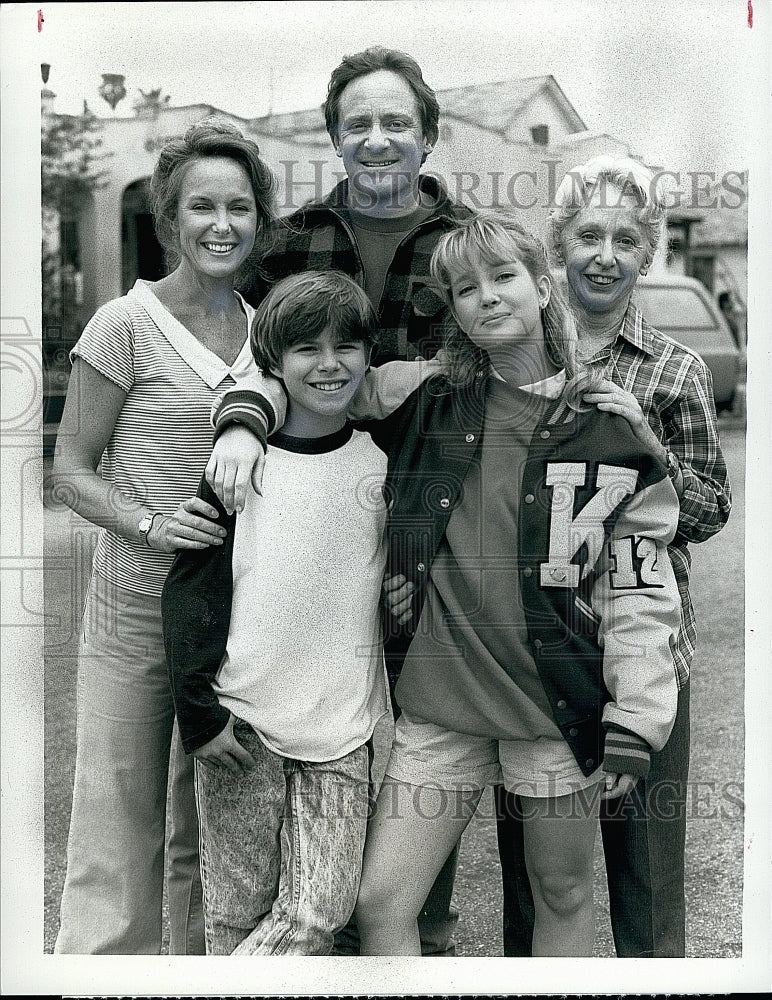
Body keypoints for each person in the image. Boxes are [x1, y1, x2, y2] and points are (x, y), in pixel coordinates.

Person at [350, 211, 682, 956]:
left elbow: (640, 590)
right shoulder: (424, 400)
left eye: (503, 278)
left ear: (542, 285)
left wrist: (635, 718)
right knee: (380, 904)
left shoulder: (609, 433)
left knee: (560, 892)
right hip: (440, 710)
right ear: (455, 311)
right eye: (465, 289)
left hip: (553, 712)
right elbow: (313, 380)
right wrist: (243, 420)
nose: (487, 298)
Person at [207, 44, 471, 957]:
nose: (377, 138)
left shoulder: (470, 245)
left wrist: (425, 370)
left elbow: (509, 353)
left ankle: (415, 936)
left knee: (426, 743)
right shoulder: (287, 243)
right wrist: (242, 423)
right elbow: (256, 359)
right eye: (357, 122)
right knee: (303, 723)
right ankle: (292, 937)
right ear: (334, 139)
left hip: (435, 531)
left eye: (396, 120)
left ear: (427, 135)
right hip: (312, 514)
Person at [495, 156, 732, 958]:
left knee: (646, 879)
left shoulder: (676, 370)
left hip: (648, 658)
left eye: (624, 239)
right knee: (533, 883)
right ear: (557, 246)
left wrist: (646, 443)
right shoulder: (519, 350)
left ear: (646, 254)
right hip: (533, 652)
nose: (603, 253)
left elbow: (706, 512)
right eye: (587, 234)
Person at [50, 118, 276, 954]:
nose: (223, 225)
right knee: (118, 819)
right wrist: (148, 521)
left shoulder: (269, 329)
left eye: (241, 208)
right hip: (136, 605)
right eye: (202, 208)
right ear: (169, 220)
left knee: (204, 833)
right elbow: (69, 471)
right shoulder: (124, 323)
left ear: (260, 219)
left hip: (231, 620)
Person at [161, 271, 392, 955]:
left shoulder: (381, 464)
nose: (328, 364)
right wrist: (200, 716)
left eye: (345, 346)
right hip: (242, 727)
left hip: (342, 731)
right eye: (305, 350)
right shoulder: (238, 465)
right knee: (235, 915)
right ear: (274, 364)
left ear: (366, 354)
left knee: (319, 912)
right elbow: (192, 594)